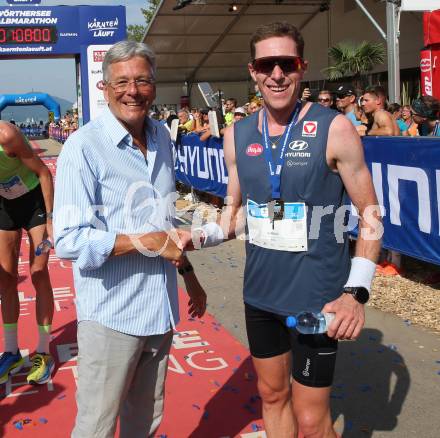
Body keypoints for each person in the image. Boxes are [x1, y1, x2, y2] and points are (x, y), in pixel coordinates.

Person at [181, 21, 381, 437]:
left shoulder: (335, 127)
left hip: (317, 299)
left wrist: (355, 293)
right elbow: (236, 213)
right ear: (253, 71)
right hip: (260, 295)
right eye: (266, 65)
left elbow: (370, 215)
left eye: (285, 64)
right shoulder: (236, 135)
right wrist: (200, 237)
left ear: (301, 67)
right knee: (272, 398)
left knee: (311, 420)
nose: (276, 75)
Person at [53, 40, 206, 438]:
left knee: (145, 424)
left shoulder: (162, 138)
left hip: (159, 310)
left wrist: (188, 274)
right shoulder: (82, 147)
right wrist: (148, 241)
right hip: (111, 317)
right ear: (104, 88)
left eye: (141, 81)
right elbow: (69, 240)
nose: (132, 91)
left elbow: (165, 224)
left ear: (154, 86)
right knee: (96, 428)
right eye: (121, 82)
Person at [0, 121, 55, 385]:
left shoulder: (7, 136)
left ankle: (43, 351)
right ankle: (12, 352)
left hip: (34, 204)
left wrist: (52, 218)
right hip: (5, 205)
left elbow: (44, 173)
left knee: (38, 272)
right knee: (6, 278)